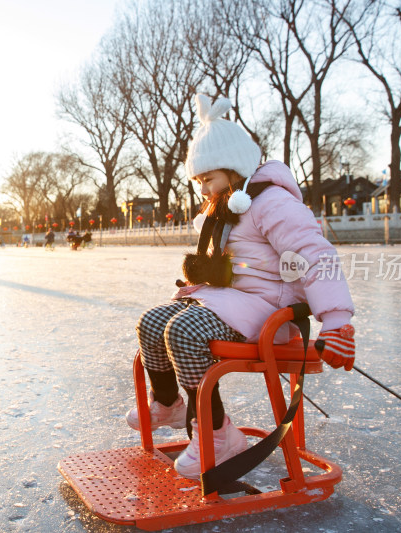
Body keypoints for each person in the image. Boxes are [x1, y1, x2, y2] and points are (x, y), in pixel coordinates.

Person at [125, 94, 356, 480]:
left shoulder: (272, 204)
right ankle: (169, 404)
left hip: (272, 311)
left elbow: (316, 255)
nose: (202, 190)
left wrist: (336, 322)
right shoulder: (227, 208)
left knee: (183, 330)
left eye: (207, 179)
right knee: (152, 321)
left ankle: (218, 435)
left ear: (233, 169)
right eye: (198, 181)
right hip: (234, 303)